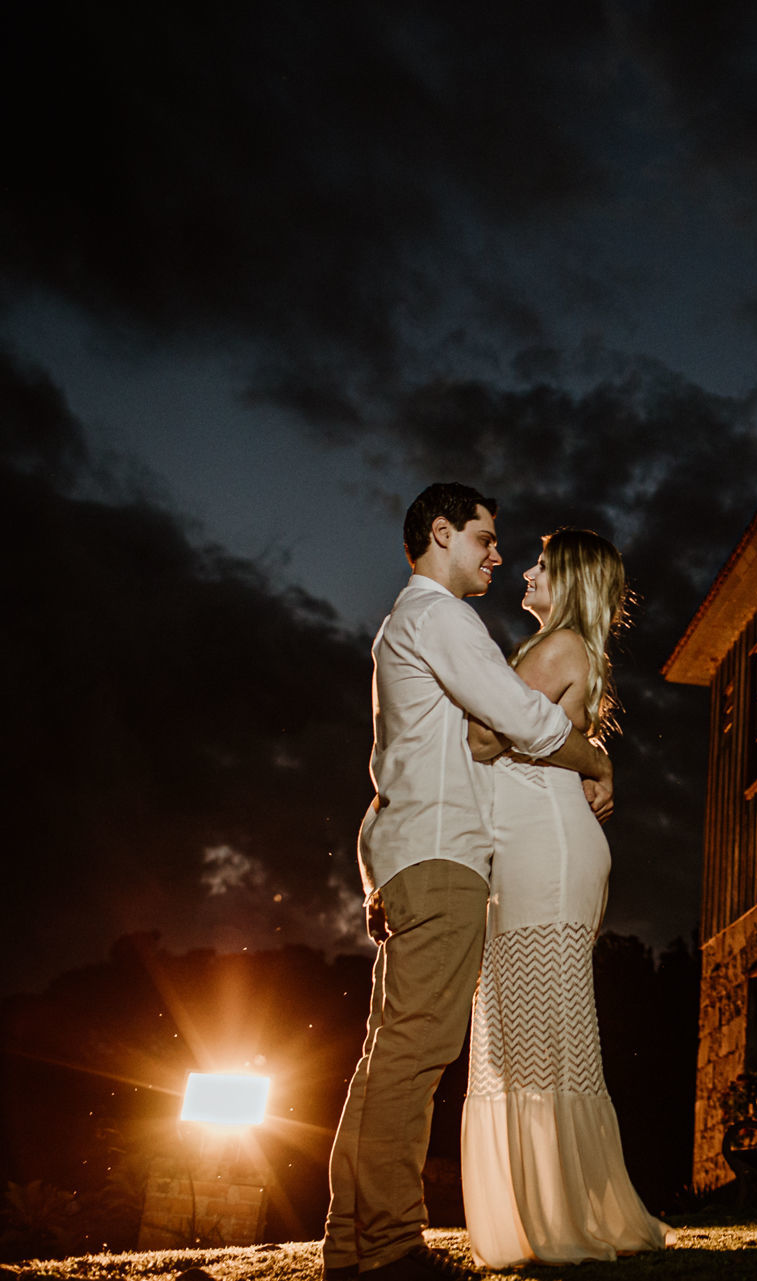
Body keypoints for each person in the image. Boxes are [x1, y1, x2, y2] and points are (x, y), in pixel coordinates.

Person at [323, 484, 616, 1281]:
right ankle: (387, 1247)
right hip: (441, 856)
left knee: (388, 1053)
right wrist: (593, 756)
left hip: (402, 854)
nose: (496, 554)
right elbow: (519, 717)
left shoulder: (404, 624)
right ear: (441, 533)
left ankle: (352, 1244)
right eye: (484, 538)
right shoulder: (441, 617)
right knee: (416, 1053)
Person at [459, 529, 672, 1266]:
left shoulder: (558, 648)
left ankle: (561, 1217)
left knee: (541, 1036)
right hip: (528, 846)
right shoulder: (550, 649)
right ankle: (550, 1213)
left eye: (542, 564)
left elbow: (488, 743)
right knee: (526, 1035)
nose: (524, 570)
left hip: (545, 850)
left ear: (572, 578)